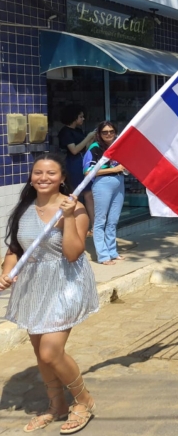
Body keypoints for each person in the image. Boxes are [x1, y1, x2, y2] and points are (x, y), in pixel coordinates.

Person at [1, 154, 99, 434]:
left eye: (51, 173)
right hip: (33, 285)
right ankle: (55, 405)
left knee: (50, 351)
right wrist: (6, 273)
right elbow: (15, 250)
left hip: (66, 283)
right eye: (38, 173)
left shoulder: (75, 208)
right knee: (38, 351)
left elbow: (72, 254)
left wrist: (67, 217)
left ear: (63, 178)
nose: (43, 178)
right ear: (31, 177)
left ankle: (83, 401)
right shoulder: (24, 208)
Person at [86, 122, 126, 265]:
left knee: (113, 220)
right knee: (100, 220)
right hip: (103, 183)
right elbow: (87, 172)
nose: (108, 134)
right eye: (105, 132)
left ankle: (112, 252)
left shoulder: (118, 146)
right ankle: (103, 256)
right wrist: (113, 170)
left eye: (111, 131)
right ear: (99, 134)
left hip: (119, 182)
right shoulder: (95, 148)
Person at [58, 106, 96, 231]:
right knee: (76, 194)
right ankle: (76, 225)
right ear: (74, 118)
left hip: (83, 162)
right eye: (80, 116)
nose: (83, 119)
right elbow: (74, 150)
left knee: (89, 194)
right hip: (73, 164)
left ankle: (94, 225)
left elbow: (85, 148)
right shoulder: (65, 132)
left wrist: (91, 139)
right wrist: (88, 137)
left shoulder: (79, 131)